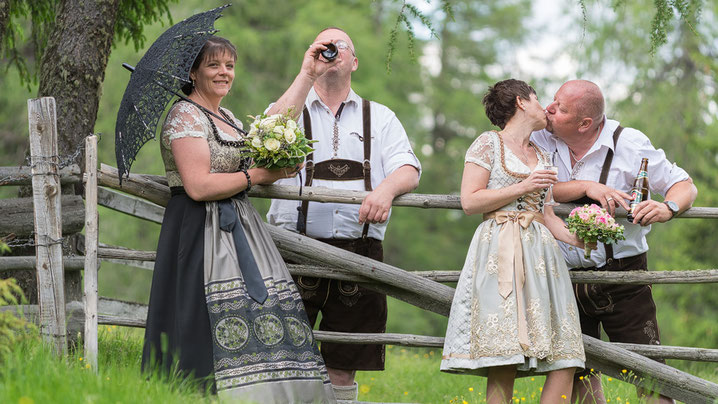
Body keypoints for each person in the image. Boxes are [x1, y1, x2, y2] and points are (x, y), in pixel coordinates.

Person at [141, 36, 335, 403]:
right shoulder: (184, 116)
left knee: (260, 312)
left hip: (239, 227)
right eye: (214, 65)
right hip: (197, 228)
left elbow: (274, 123)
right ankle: (195, 393)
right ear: (193, 72)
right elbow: (198, 185)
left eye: (229, 65)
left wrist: (307, 74)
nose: (224, 73)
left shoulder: (226, 118)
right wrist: (258, 177)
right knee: (198, 317)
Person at [264, 27, 421, 400]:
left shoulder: (380, 117)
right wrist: (307, 73)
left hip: (359, 252)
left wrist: (385, 189)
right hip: (293, 248)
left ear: (354, 62)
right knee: (283, 353)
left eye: (339, 47)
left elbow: (409, 169)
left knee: (343, 359)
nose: (330, 52)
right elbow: (262, 142)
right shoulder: (290, 107)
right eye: (323, 46)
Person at [531, 79, 698, 404]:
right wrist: (585, 186)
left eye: (560, 108)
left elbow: (684, 184)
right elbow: (526, 184)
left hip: (623, 277)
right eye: (553, 101)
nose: (549, 109)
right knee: (578, 372)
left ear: (585, 124)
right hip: (561, 275)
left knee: (651, 375)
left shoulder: (630, 144)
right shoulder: (539, 137)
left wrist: (668, 207)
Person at [441, 79, 586, 404]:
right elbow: (470, 201)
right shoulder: (487, 144)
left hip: (542, 256)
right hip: (499, 250)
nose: (544, 107)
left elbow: (547, 216)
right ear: (521, 102)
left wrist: (581, 239)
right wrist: (523, 186)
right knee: (503, 356)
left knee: (566, 355)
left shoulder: (542, 153)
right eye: (537, 99)